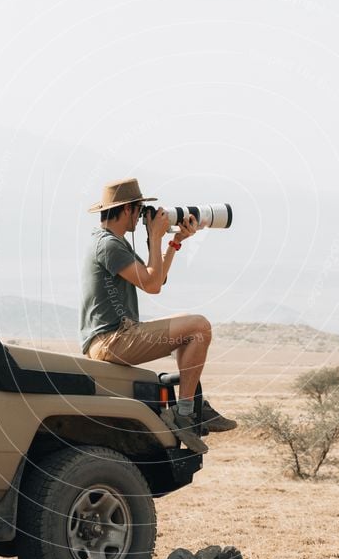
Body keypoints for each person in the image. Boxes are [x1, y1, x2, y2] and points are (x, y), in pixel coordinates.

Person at [80, 177, 237, 454]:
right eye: (140, 209)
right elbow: (152, 285)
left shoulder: (114, 243)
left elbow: (157, 278)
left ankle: (188, 407)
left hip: (116, 336)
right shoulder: (108, 245)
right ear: (127, 209)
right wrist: (154, 236)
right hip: (111, 340)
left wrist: (173, 242)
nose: (142, 215)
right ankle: (185, 412)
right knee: (198, 327)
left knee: (192, 325)